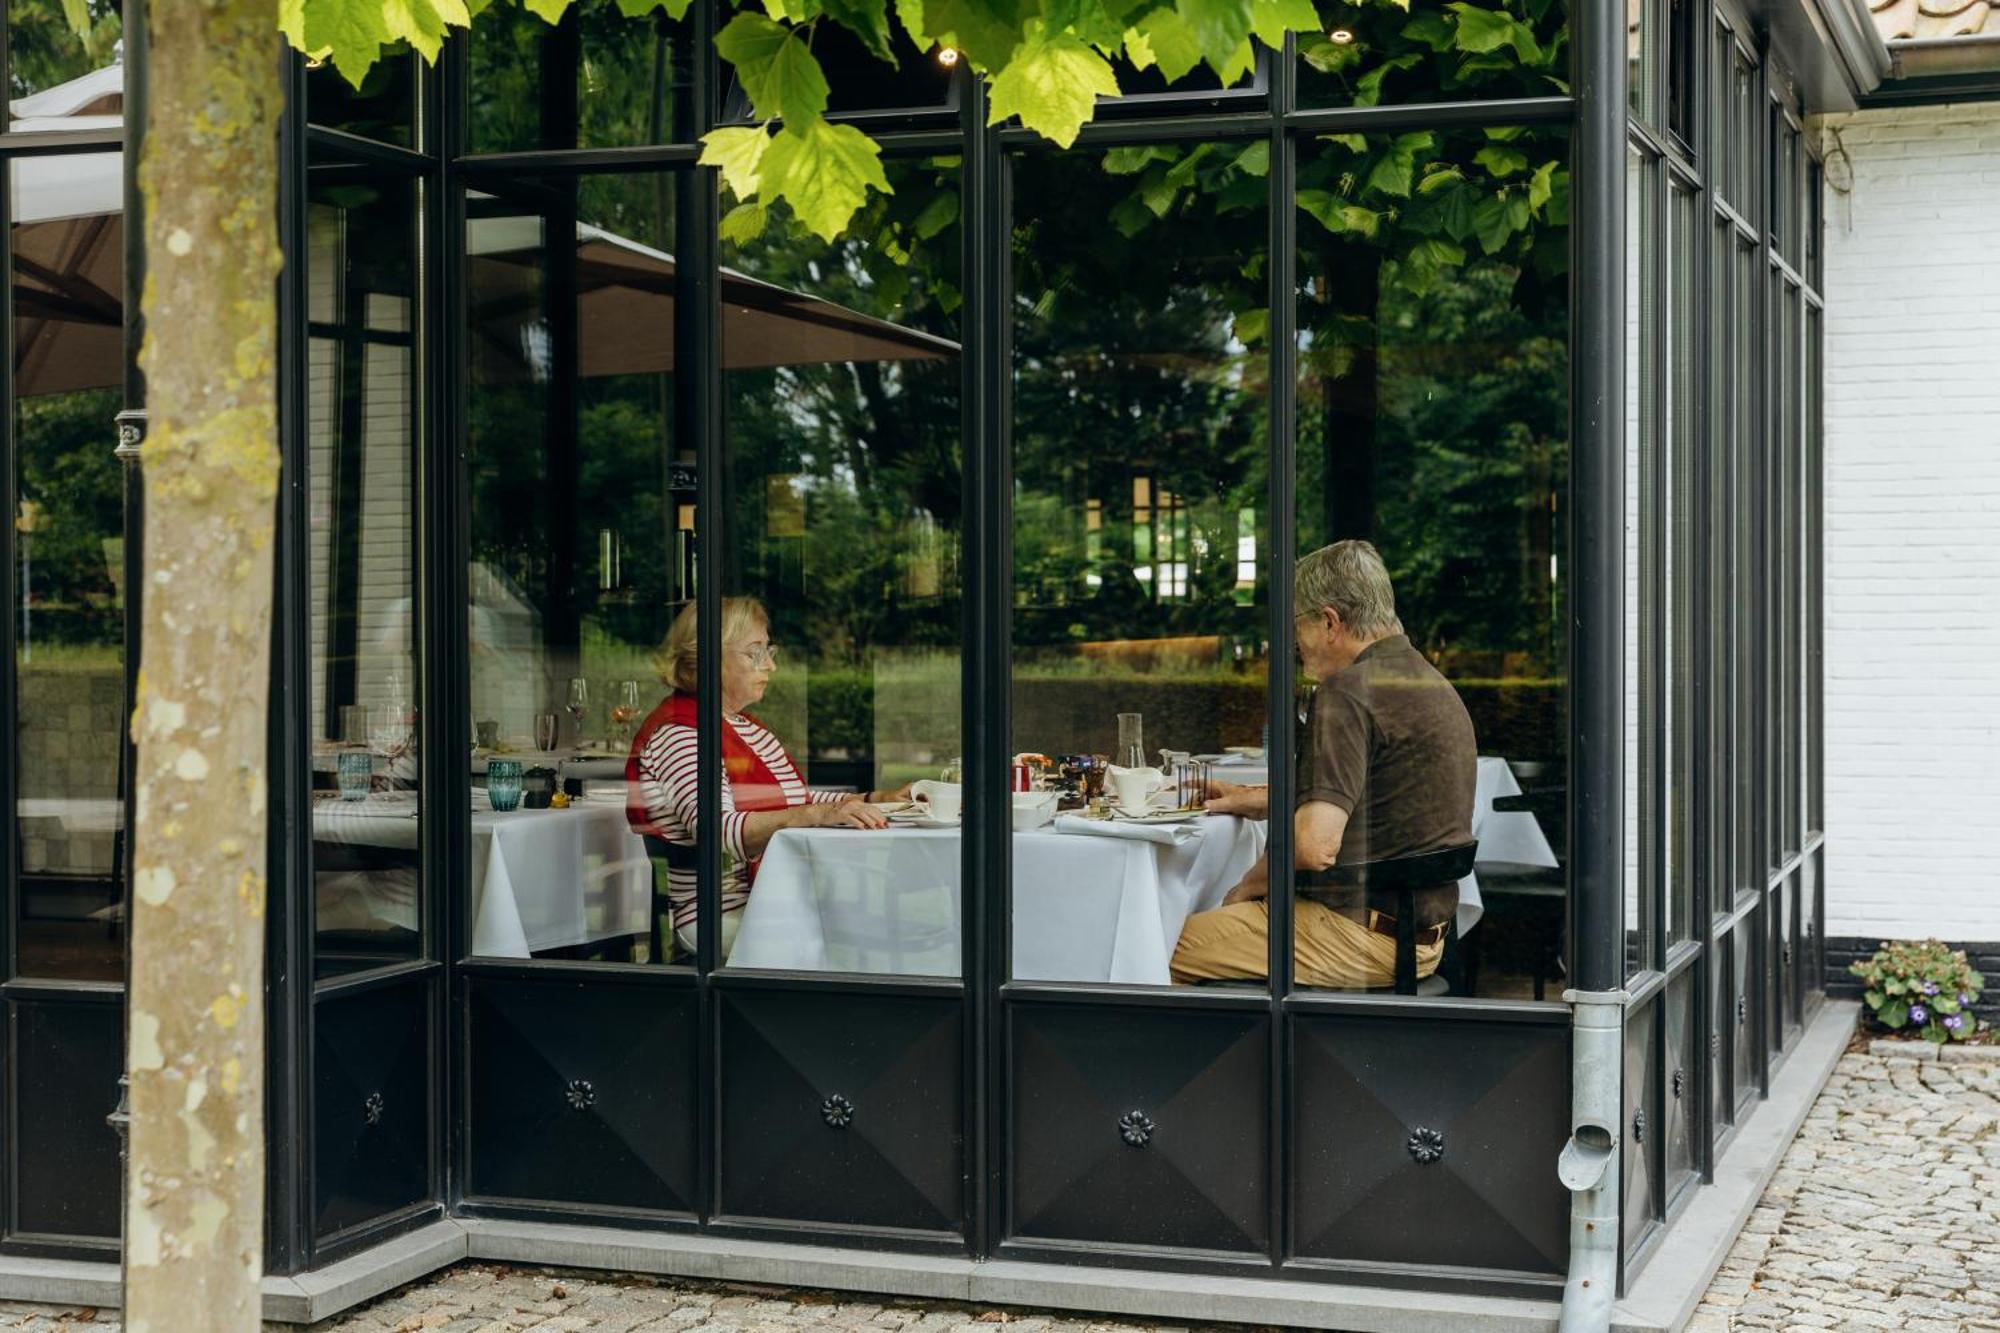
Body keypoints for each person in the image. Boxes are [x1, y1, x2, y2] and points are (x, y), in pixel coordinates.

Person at [1170, 540, 1476, 989]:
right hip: (1421, 938)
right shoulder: (1430, 682)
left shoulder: (1348, 692)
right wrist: (1251, 799)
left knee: (1154, 947)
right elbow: (1372, 798)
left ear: (1330, 622)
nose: (1295, 642)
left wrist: (1251, 885)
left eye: (1297, 625)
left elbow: (1315, 845)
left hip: (1358, 937)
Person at [626, 597, 910, 960]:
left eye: (768, 650)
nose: (771, 666)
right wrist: (816, 815)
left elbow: (795, 800)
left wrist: (878, 799)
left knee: (872, 927)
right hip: (720, 913)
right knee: (860, 935)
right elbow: (718, 831)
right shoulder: (681, 733)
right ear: (708, 657)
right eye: (754, 652)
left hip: (772, 900)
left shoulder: (744, 727)